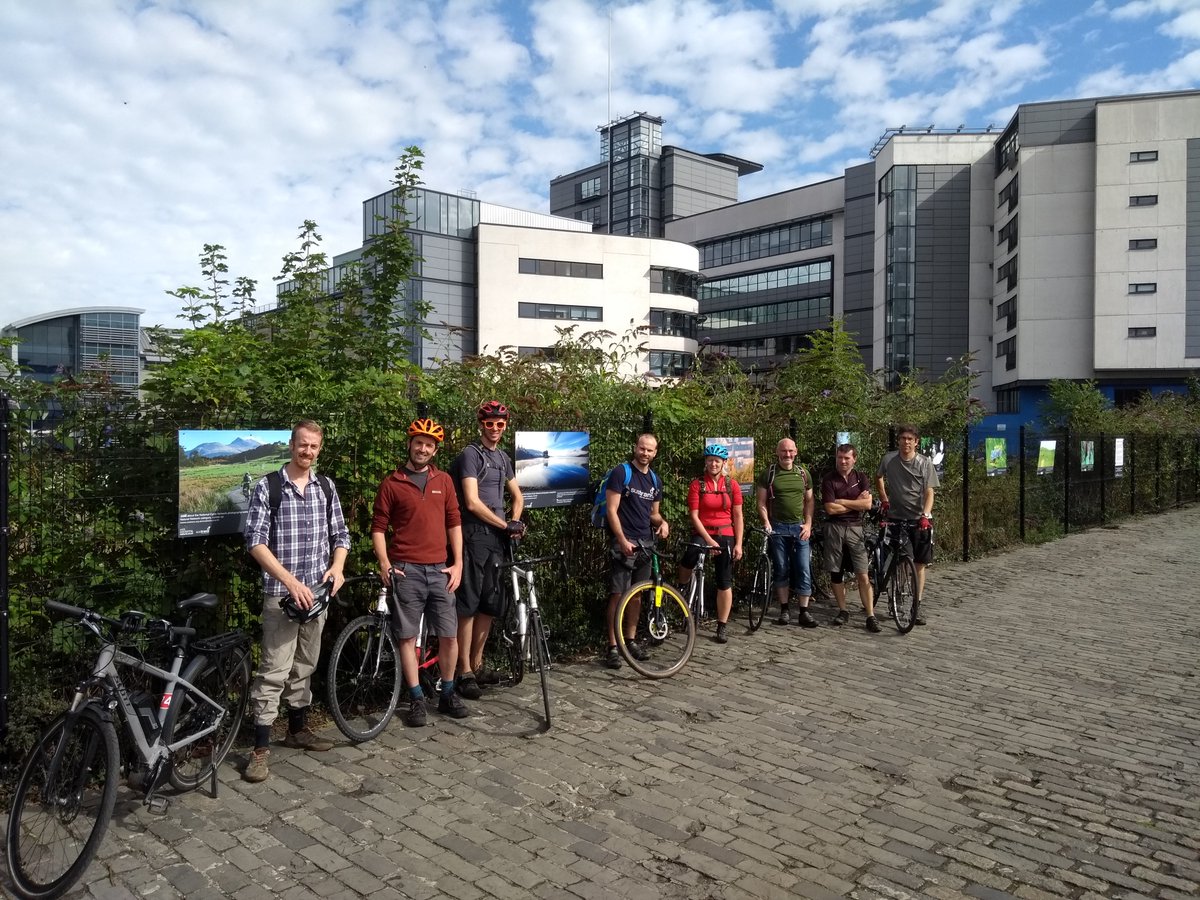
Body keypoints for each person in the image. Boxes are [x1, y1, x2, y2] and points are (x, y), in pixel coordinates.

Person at [243, 420, 349, 783]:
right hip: (281, 597)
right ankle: (260, 749)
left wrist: (337, 567)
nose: (307, 452)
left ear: (320, 448)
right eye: (302, 445)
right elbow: (255, 541)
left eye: (314, 447)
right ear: (291, 445)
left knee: (305, 664)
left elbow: (342, 535)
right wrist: (289, 582)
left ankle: (297, 730)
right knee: (273, 670)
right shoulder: (268, 487)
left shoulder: (327, 487)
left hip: (317, 596)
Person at [371, 418, 466, 724]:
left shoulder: (445, 481)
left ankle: (448, 693)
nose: (422, 448)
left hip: (440, 570)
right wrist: (385, 564)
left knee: (449, 636)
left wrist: (458, 563)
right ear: (409, 444)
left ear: (435, 450)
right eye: (418, 443)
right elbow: (378, 529)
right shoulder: (392, 483)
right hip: (406, 571)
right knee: (407, 639)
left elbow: (454, 522)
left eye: (429, 445)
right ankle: (415, 699)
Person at [450, 400, 525, 699]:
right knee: (467, 605)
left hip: (498, 538)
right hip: (475, 534)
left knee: (489, 604)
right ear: (481, 424)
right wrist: (504, 524)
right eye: (490, 423)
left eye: (500, 424)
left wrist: (515, 522)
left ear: (505, 426)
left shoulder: (504, 458)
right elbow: (471, 501)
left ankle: (478, 665)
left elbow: (517, 496)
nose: (495, 428)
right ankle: (463, 670)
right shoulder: (471, 455)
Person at [604, 433, 669, 669]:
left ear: (655, 453)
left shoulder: (654, 480)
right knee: (617, 594)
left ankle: (629, 640)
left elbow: (653, 513)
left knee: (637, 594)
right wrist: (621, 539)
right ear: (635, 448)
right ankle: (612, 646)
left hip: (645, 544)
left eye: (650, 450)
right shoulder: (622, 473)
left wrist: (662, 523)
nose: (645, 453)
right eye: (642, 448)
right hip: (624, 543)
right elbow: (612, 510)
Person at [677, 444, 743, 645]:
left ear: (724, 463)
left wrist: (738, 543)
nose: (713, 464)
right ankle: (681, 589)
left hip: (726, 533)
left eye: (717, 460)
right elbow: (694, 516)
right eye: (710, 460)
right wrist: (708, 540)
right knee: (690, 555)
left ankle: (722, 625)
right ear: (705, 462)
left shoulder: (732, 485)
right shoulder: (697, 484)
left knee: (725, 580)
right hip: (703, 532)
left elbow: (738, 515)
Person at [875, 424, 940, 626]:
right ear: (899, 440)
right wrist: (884, 498)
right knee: (901, 560)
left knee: (919, 565)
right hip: (896, 517)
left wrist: (925, 514)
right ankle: (896, 598)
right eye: (903, 438)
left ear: (916, 442)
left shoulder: (924, 463)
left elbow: (930, 491)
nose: (906, 442)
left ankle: (916, 605)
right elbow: (878, 477)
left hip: (918, 518)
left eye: (910, 439)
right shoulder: (889, 459)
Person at [756, 438, 817, 628]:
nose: (787, 454)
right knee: (781, 568)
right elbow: (761, 503)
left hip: (799, 528)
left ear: (796, 452)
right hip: (778, 528)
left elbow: (809, 501)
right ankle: (784, 610)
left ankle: (804, 612)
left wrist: (808, 524)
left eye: (790, 451)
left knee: (803, 568)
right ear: (777, 452)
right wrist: (766, 523)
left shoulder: (803, 474)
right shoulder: (769, 474)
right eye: (784, 451)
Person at [821, 443, 881, 633]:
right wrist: (857, 503)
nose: (843, 461)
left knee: (862, 573)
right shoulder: (829, 479)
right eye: (840, 457)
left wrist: (844, 502)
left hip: (855, 528)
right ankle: (843, 609)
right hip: (834, 528)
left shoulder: (860, 477)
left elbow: (868, 504)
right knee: (836, 572)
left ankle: (870, 615)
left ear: (854, 459)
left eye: (847, 458)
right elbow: (830, 508)